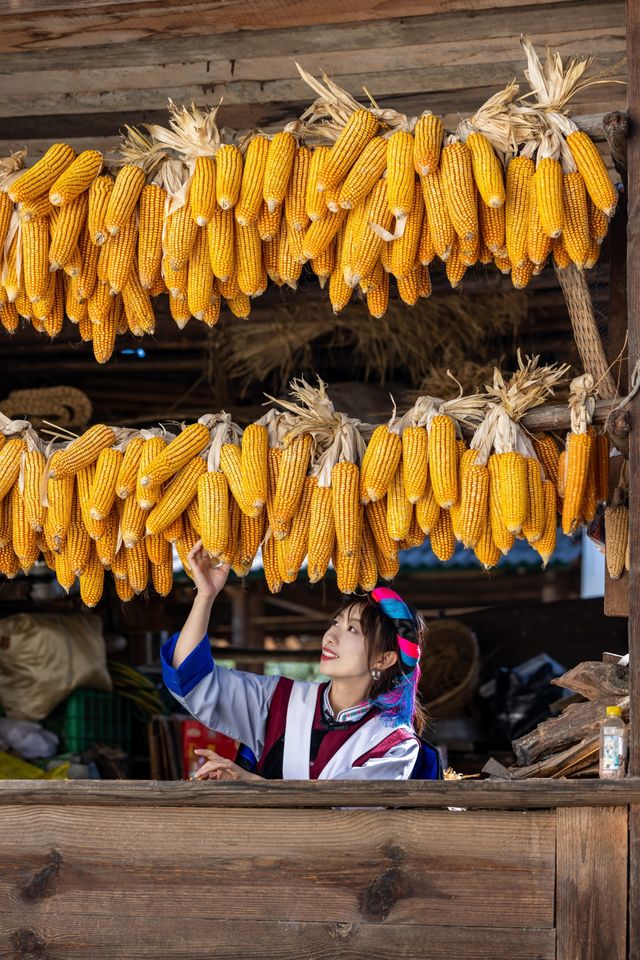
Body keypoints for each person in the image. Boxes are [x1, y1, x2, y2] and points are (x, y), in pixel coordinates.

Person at [161, 540, 439, 782]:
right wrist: (205, 596)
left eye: (352, 629)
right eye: (335, 623)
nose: (330, 636)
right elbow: (191, 678)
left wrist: (252, 784)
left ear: (384, 659)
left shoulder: (394, 745)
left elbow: (342, 819)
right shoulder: (279, 699)